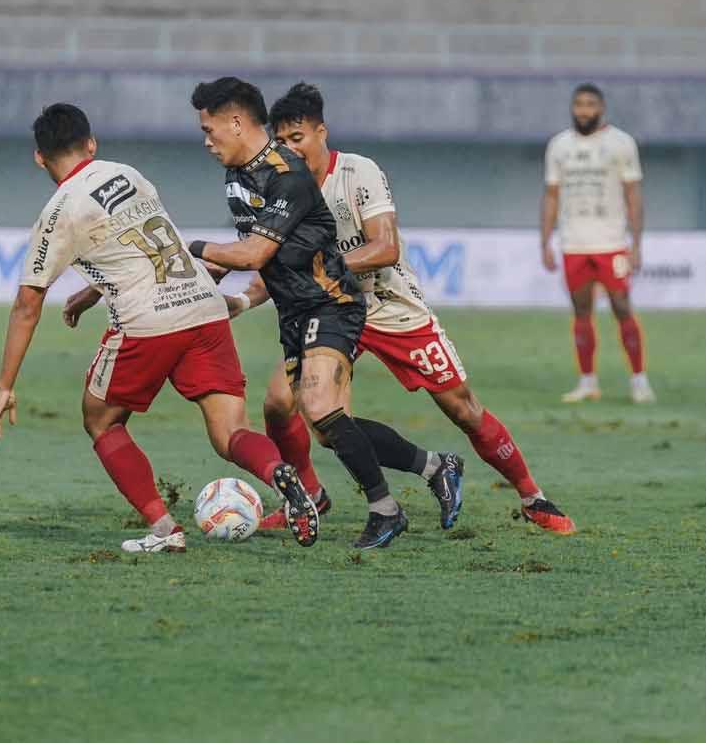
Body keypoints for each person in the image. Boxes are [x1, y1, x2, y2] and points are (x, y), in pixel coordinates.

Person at [231, 83, 577, 535]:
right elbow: (272, 267)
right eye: (281, 142)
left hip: (390, 306)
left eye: (297, 138)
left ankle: (533, 498)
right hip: (331, 310)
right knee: (284, 405)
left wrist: (320, 265)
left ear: (321, 133)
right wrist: (239, 300)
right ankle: (311, 496)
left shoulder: (358, 172)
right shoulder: (281, 189)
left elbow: (385, 247)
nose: (290, 149)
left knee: (464, 409)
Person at [0, 103, 319, 553]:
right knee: (230, 432)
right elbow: (143, 244)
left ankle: (165, 529)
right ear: (91, 144)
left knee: (101, 419)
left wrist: (6, 385)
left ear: (39, 158)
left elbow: (28, 305)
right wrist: (93, 291)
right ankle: (280, 475)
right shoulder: (127, 173)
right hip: (204, 305)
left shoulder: (59, 210)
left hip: (147, 321)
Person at [185, 77, 463, 550]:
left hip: (331, 302)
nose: (207, 142)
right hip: (294, 310)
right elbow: (262, 253)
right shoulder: (238, 177)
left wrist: (183, 246)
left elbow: (253, 253)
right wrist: (203, 281)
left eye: (210, 130)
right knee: (328, 427)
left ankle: (385, 511)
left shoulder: (287, 175)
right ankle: (436, 466)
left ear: (236, 123)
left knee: (316, 406)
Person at [540, 83, 655, 404]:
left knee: (621, 307)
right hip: (573, 243)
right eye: (579, 104)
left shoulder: (621, 143)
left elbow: (633, 195)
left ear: (601, 107)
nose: (584, 110)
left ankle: (639, 380)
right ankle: (588, 381)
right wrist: (545, 241)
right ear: (573, 108)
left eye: (590, 104)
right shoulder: (559, 146)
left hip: (612, 241)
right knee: (581, 311)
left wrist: (637, 243)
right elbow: (551, 196)